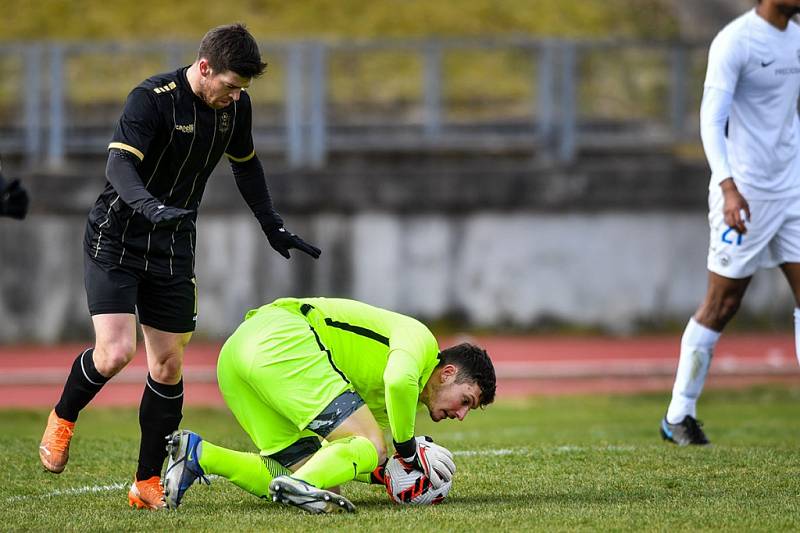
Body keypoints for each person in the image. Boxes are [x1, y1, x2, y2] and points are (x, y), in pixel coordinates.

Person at [38, 23, 321, 510]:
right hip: (118, 236)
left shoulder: (236, 108)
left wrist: (272, 225)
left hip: (173, 244)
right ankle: (63, 416)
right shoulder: (151, 99)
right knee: (115, 353)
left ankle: (146, 482)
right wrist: (148, 207)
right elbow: (118, 167)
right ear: (204, 67)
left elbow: (246, 165)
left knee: (167, 364)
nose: (234, 97)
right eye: (229, 86)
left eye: (242, 90)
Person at [160, 296, 496, 514]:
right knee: (359, 451)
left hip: (236, 358)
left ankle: (202, 455)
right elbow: (398, 381)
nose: (461, 415)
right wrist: (406, 451)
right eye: (466, 400)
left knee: (323, 487)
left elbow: (338, 451)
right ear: (448, 373)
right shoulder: (421, 341)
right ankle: (303, 483)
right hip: (282, 338)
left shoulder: (388, 406)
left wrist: (390, 474)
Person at [661, 0, 800, 446]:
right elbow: (710, 119)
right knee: (723, 303)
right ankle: (678, 414)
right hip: (744, 194)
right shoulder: (735, 41)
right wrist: (727, 187)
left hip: (792, 190)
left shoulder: (797, 36)